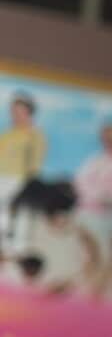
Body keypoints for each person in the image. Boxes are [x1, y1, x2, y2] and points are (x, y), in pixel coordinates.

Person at [73, 121, 112, 298]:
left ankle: (97, 293)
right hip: (90, 214)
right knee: (87, 254)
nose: (110, 142)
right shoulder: (94, 162)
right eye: (107, 138)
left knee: (107, 255)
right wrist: (97, 196)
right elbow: (80, 185)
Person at [0, 92, 48, 241]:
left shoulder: (35, 135)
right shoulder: (7, 134)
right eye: (13, 111)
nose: (15, 114)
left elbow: (35, 162)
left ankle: (14, 253)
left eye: (20, 111)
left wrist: (28, 185)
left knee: (18, 219)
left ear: (29, 112)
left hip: (19, 180)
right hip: (2, 179)